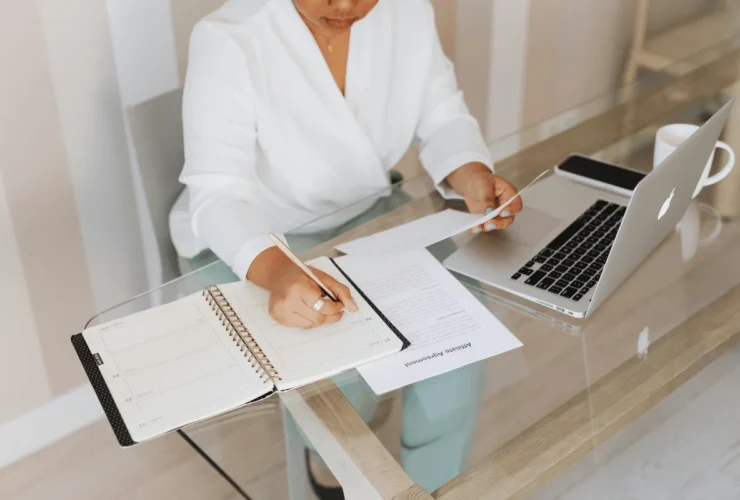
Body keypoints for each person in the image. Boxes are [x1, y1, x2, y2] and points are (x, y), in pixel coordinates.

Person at [171, 0, 523, 496]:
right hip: (253, 242)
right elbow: (217, 195)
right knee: (338, 363)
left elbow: (443, 117)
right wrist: (277, 273)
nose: (345, 6)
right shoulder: (230, 38)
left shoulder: (409, 12)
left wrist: (472, 174)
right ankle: (329, 468)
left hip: (368, 219)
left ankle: (433, 485)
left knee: (462, 325)